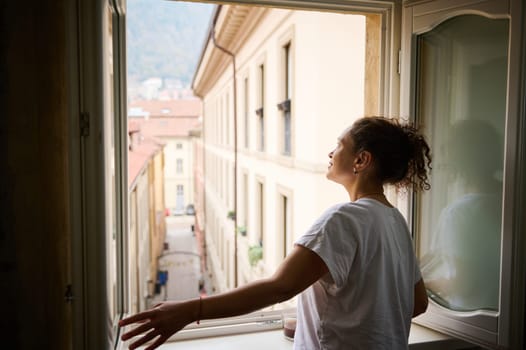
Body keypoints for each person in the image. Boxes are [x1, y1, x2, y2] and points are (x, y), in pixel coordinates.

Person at [119, 116, 431, 350]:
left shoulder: (343, 219)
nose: (331, 152)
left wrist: (191, 310)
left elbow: (280, 287)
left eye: (340, 145)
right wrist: (317, 322)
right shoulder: (396, 223)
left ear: (361, 160)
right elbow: (417, 303)